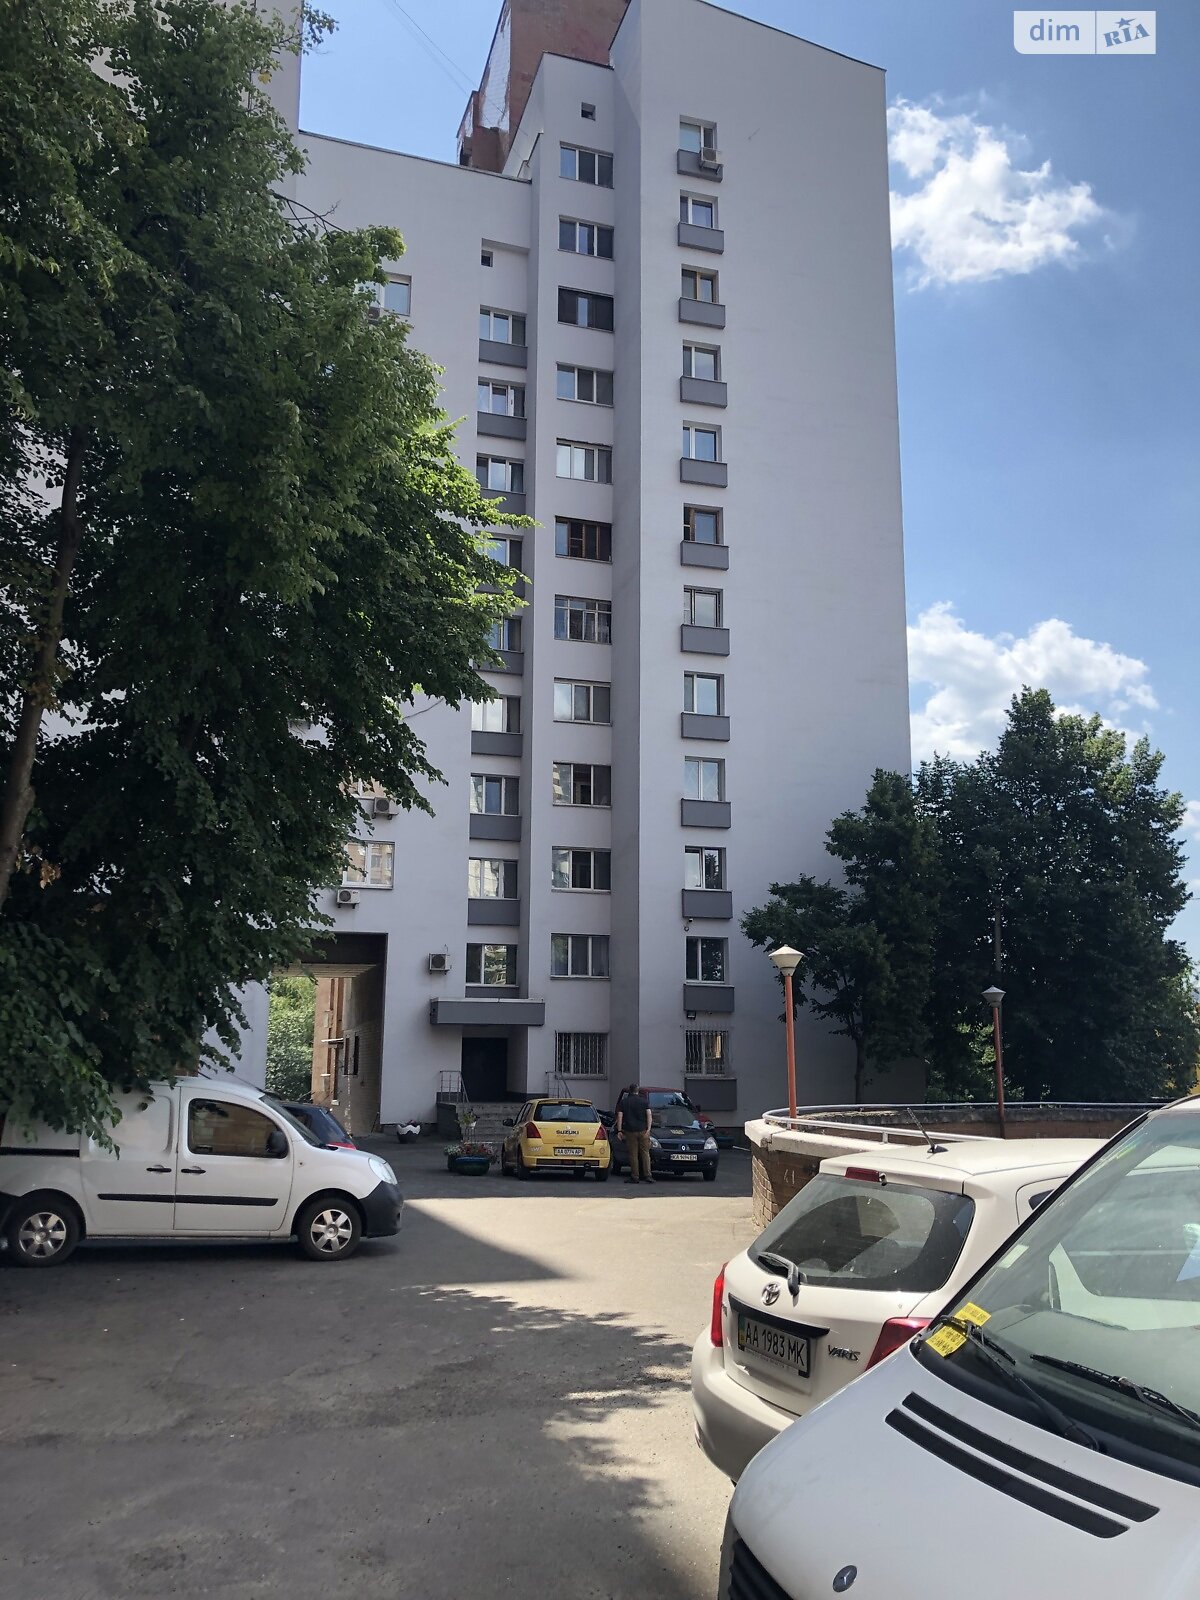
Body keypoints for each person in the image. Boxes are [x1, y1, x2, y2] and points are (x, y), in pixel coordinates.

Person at [616, 1083, 653, 1185]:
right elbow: (649, 1115)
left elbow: (620, 1116)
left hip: (630, 1131)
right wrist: (648, 1129)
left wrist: (619, 1131)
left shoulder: (624, 1102)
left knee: (633, 1154)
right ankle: (648, 1175)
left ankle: (635, 1176)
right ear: (637, 1091)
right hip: (643, 1130)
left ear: (630, 1091)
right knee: (645, 1153)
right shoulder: (644, 1101)